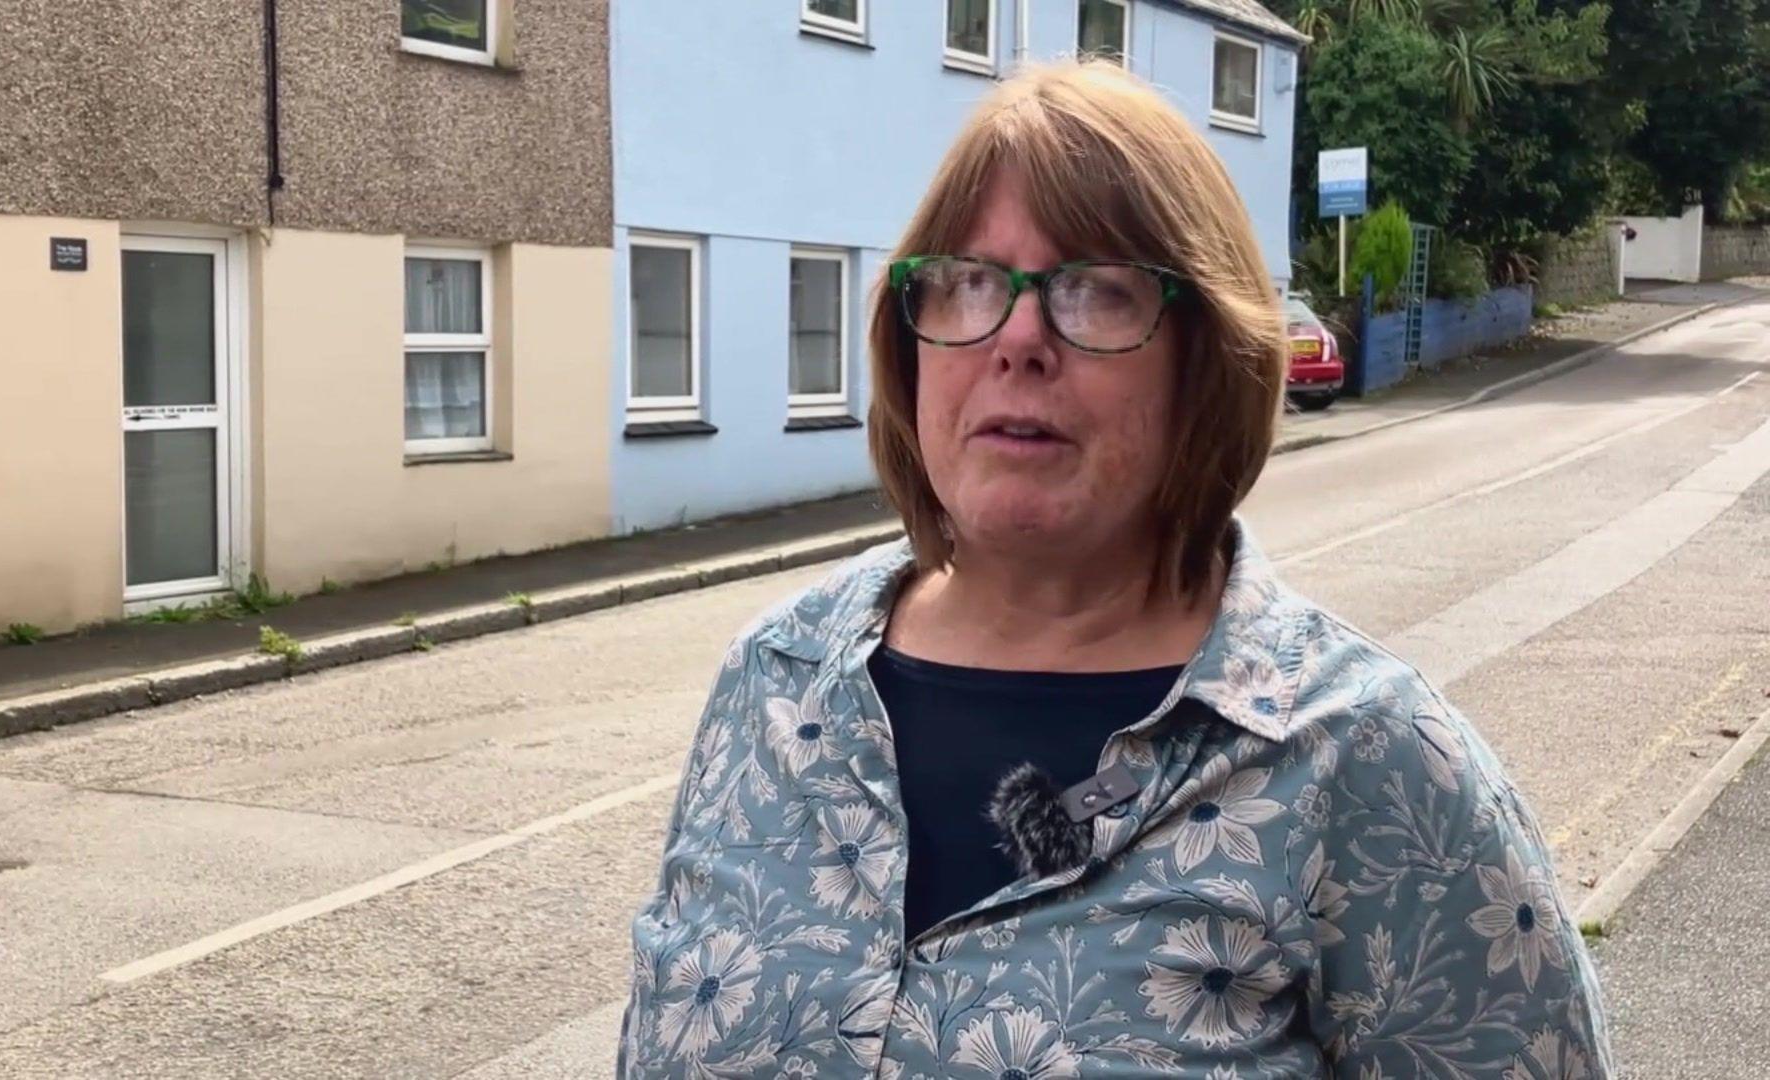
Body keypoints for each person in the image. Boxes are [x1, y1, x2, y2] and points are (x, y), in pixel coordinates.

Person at [619, 61, 1611, 1078]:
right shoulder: (775, 685)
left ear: (1206, 359)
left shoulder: (1368, 761)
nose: (1016, 340)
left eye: (1094, 292)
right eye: (965, 283)